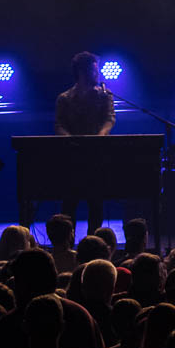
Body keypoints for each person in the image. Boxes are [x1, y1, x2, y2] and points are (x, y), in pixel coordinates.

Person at [53, 50, 116, 232]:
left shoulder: (104, 95)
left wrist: (100, 136)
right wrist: (68, 139)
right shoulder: (65, 98)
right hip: (72, 158)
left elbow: (109, 119)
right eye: (94, 70)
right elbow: (59, 124)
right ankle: (66, 241)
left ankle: (94, 242)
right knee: (69, 205)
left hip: (97, 157)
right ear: (81, 72)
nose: (97, 74)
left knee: (96, 204)